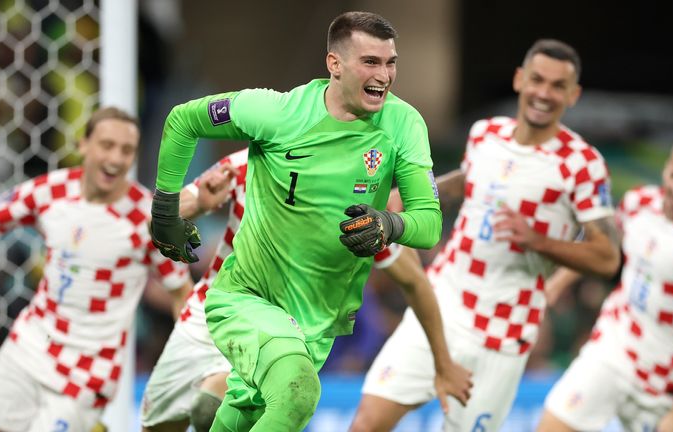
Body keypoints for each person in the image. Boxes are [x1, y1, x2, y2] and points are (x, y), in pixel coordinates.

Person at [147, 11, 471, 432]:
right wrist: (165, 209)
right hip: (245, 298)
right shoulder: (278, 113)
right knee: (297, 394)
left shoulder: (404, 124)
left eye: (391, 62)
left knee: (238, 415)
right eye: (370, 62)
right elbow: (183, 120)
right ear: (335, 65)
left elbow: (427, 225)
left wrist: (389, 225)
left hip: (316, 321)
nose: (385, 75)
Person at [350, 38, 622, 432]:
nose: (544, 93)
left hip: (503, 331)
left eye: (557, 86)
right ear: (519, 80)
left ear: (573, 94)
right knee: (367, 423)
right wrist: (410, 194)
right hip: (442, 303)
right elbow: (469, 179)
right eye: (537, 80)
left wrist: (538, 240)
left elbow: (607, 257)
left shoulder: (583, 165)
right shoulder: (485, 133)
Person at [141, 149, 472, 432]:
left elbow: (415, 283)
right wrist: (199, 203)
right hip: (209, 311)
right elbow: (156, 221)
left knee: (211, 404)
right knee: (158, 425)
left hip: (279, 331)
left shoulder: (352, 210)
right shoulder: (249, 164)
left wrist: (443, 365)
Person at [0, 107, 201, 432]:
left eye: (126, 150)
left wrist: (193, 355)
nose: (116, 158)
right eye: (107, 145)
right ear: (83, 145)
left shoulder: (146, 220)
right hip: (30, 346)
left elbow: (181, 292)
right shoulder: (50, 191)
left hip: (89, 371)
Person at [538, 134, 673, 432]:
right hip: (612, 346)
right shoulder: (638, 201)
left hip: (663, 376)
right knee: (552, 426)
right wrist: (558, 282)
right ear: (666, 169)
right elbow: (604, 244)